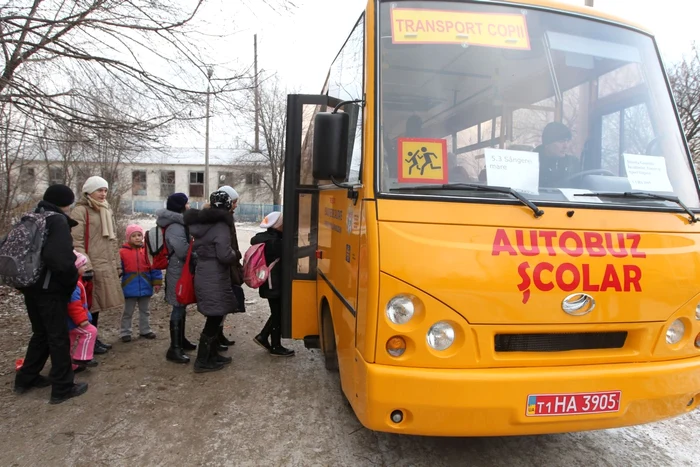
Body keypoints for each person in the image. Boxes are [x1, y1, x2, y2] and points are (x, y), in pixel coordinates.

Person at [14, 184, 88, 404]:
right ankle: (63, 387)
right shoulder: (57, 221)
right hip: (50, 289)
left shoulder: (32, 218)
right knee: (58, 337)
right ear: (66, 202)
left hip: (30, 286)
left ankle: (26, 378)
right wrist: (71, 281)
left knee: (41, 333)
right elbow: (60, 259)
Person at [184, 190, 239, 373]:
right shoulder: (221, 225)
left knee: (214, 315)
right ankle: (202, 360)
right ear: (228, 205)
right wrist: (235, 255)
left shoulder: (202, 222)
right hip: (215, 274)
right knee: (215, 317)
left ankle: (212, 355)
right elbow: (224, 254)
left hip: (204, 271)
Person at [71, 176, 124, 354]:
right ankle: (87, 340)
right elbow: (76, 241)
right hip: (91, 265)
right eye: (99, 190)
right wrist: (86, 265)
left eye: (105, 190)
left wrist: (117, 264)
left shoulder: (106, 209)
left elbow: (112, 240)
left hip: (105, 263)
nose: (103, 194)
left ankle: (93, 339)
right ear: (89, 191)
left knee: (97, 305)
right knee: (88, 304)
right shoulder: (80, 211)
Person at [157, 193, 196, 364]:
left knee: (182, 306)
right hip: (176, 271)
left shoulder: (179, 224)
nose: (188, 206)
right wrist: (196, 251)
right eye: (186, 204)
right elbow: (182, 251)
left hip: (180, 270)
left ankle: (181, 341)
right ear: (181, 206)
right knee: (178, 307)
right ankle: (174, 348)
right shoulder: (176, 227)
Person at [250, 211, 295, 357]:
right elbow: (294, 252)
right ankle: (275, 346)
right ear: (278, 225)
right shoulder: (275, 243)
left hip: (270, 282)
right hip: (273, 283)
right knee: (278, 314)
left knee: (277, 312)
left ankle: (263, 337)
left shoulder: (264, 238)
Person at [119, 224, 162, 342]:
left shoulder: (147, 251)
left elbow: (155, 267)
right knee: (128, 312)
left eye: (139, 235)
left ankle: (145, 330)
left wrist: (157, 282)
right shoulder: (122, 252)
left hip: (145, 284)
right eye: (134, 236)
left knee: (145, 311)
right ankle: (125, 332)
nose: (137, 238)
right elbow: (118, 268)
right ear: (128, 237)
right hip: (129, 286)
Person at [215, 185, 245, 351]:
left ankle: (218, 336)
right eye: (233, 202)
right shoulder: (221, 220)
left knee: (224, 302)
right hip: (225, 265)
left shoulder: (227, 218)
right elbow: (225, 246)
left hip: (230, 263)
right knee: (221, 303)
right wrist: (235, 256)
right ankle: (215, 339)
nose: (235, 205)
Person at [67, 251, 99, 373]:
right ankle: (83, 358)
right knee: (91, 331)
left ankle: (71, 365)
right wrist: (82, 320)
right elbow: (74, 306)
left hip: (71, 321)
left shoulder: (78, 282)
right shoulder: (74, 286)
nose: (86, 267)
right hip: (73, 321)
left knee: (70, 342)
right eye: (83, 265)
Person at [535, 122, 581, 187]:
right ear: (547, 143)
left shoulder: (572, 163)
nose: (566, 146)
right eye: (561, 141)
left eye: (567, 141)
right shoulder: (531, 162)